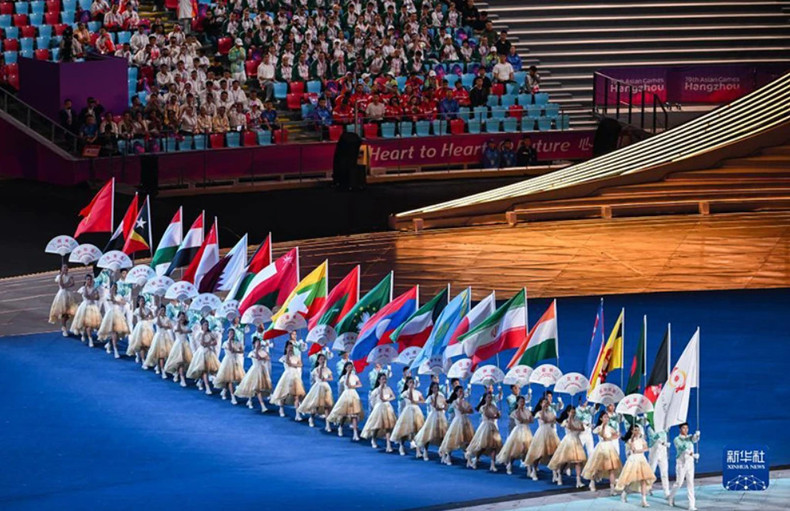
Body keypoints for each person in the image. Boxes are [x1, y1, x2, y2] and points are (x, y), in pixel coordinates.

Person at [616, 425, 656, 507]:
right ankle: (624, 493)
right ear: (632, 431)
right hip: (633, 460)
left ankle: (644, 500)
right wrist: (633, 441)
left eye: (638, 430)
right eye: (635, 430)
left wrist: (640, 450)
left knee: (643, 480)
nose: (637, 431)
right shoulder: (630, 441)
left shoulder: (642, 440)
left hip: (642, 459)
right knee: (630, 480)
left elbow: (646, 448)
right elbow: (633, 450)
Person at [582, 412, 623, 493]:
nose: (606, 419)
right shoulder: (599, 428)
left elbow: (614, 436)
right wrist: (604, 428)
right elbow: (603, 437)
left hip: (610, 448)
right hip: (601, 449)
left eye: (607, 417)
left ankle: (612, 489)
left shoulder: (610, 428)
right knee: (597, 468)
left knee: (611, 469)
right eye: (604, 417)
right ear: (601, 419)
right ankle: (592, 483)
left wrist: (618, 435)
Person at [549, 406, 588, 487]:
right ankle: (559, 476)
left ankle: (578, 481)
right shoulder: (565, 421)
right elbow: (570, 427)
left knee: (578, 461)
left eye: (574, 412)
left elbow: (582, 429)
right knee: (564, 461)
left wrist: (578, 424)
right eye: (571, 412)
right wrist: (570, 419)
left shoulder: (578, 421)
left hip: (576, 441)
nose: (573, 414)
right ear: (568, 413)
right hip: (568, 441)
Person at [525, 397, 562, 480]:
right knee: (538, 454)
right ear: (541, 404)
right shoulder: (539, 413)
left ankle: (554, 474)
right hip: (541, 433)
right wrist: (542, 411)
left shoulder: (551, 413)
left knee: (552, 454)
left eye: (547, 403)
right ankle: (534, 471)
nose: (546, 404)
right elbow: (544, 420)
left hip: (550, 433)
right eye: (544, 403)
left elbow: (554, 420)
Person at [326, 362, 365, 440]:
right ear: (346, 368)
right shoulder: (344, 377)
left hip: (354, 394)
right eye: (348, 367)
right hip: (346, 395)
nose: (350, 369)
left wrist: (355, 386)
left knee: (354, 415)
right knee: (344, 414)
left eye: (351, 367)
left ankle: (355, 433)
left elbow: (360, 384)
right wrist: (348, 375)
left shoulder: (355, 377)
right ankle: (340, 426)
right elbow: (346, 385)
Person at [235, 334, 273, 413]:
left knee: (256, 387)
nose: (258, 344)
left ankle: (250, 400)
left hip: (263, 371)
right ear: (254, 344)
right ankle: (262, 405)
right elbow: (257, 357)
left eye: (259, 343)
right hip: (255, 370)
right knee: (257, 388)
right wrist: (258, 353)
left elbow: (268, 358)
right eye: (257, 343)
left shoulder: (263, 351)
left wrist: (263, 357)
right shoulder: (252, 352)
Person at [496, 395, 533, 474]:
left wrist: (529, 415)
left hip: (527, 431)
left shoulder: (527, 411)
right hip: (519, 431)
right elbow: (521, 420)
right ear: (517, 402)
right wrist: (527, 418)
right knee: (516, 450)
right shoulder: (515, 412)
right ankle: (509, 465)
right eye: (520, 402)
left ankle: (529, 469)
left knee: (527, 450)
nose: (522, 403)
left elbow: (531, 421)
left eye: (523, 402)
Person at [465, 391, 502, 471]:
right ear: (485, 398)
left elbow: (497, 416)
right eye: (488, 397)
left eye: (491, 397)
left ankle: (492, 464)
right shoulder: (483, 407)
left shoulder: (494, 406)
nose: (490, 399)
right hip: (485, 427)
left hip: (492, 427)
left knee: (494, 446)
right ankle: (475, 459)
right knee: (482, 446)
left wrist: (499, 414)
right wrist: (496, 415)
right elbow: (488, 415)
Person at [360, 372, 397, 452]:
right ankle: (373, 438)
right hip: (379, 408)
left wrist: (387, 399)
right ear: (379, 380)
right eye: (383, 379)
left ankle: (388, 445)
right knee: (377, 426)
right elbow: (372, 399)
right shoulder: (376, 390)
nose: (384, 380)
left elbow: (393, 396)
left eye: (385, 379)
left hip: (387, 408)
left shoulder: (388, 388)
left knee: (388, 426)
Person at [439, 385, 475, 465]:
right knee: (452, 439)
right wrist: (466, 409)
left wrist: (467, 409)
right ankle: (448, 456)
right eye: (460, 392)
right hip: (457, 422)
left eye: (462, 391)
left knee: (467, 441)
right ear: (456, 393)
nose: (462, 393)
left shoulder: (465, 402)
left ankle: (468, 459)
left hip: (466, 422)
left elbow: (471, 411)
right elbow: (461, 410)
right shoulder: (455, 402)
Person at [668, 423, 701, 511]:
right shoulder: (677, 439)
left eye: (687, 428)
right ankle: (671, 496)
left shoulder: (689, 438)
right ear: (680, 429)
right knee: (679, 483)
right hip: (681, 464)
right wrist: (694, 455)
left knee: (691, 483)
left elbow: (694, 440)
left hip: (690, 464)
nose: (685, 430)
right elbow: (683, 448)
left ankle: (691, 505)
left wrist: (697, 435)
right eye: (683, 428)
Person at [270, 340, 306, 420]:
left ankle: (297, 414)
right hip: (287, 377)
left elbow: (300, 364)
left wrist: (294, 364)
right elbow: (287, 362)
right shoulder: (284, 357)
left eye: (291, 347)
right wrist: (288, 355)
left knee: (296, 396)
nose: (291, 349)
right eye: (289, 347)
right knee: (284, 394)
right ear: (286, 348)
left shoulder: (296, 357)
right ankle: (281, 409)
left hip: (295, 377)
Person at [390, 377, 426, 457]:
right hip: (408, 411)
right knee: (405, 430)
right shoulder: (405, 392)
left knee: (417, 430)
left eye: (413, 383)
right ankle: (401, 446)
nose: (412, 384)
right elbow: (399, 398)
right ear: (407, 384)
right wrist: (405, 396)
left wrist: (417, 401)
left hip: (416, 411)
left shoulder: (418, 392)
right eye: (410, 383)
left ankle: (418, 451)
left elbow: (423, 401)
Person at [297, 353, 335, 428]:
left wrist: (326, 379)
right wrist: (321, 369)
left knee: (327, 406)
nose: (323, 361)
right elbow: (320, 378)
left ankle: (327, 425)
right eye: (321, 359)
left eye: (324, 359)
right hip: (318, 387)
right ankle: (311, 418)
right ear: (318, 360)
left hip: (326, 387)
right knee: (316, 406)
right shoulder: (316, 369)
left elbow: (331, 378)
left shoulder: (327, 369)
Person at [414, 382, 448, 461]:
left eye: (437, 388)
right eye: (434, 388)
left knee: (442, 435)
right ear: (432, 389)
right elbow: (435, 407)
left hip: (441, 417)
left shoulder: (441, 396)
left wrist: (444, 406)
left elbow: (446, 406)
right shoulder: (430, 397)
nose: (436, 389)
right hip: (433, 417)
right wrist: (436, 399)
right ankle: (425, 451)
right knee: (428, 435)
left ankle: (442, 453)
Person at [186, 319, 221, 394]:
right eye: (205, 325)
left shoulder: (210, 333)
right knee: (204, 370)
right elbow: (202, 343)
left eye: (207, 325)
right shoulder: (200, 334)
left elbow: (215, 342)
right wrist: (205, 336)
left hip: (209, 352)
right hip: (202, 353)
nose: (206, 326)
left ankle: (201, 381)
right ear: (202, 326)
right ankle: (207, 387)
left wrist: (209, 343)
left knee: (211, 370)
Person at [96, 283, 129, 359]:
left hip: (119, 315)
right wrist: (113, 296)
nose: (114, 288)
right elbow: (112, 301)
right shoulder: (107, 295)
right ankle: (115, 350)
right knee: (113, 332)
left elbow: (124, 302)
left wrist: (119, 302)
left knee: (117, 334)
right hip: (111, 315)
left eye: (115, 287)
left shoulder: (119, 295)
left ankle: (109, 344)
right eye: (112, 287)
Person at [214, 328, 246, 404]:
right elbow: (231, 350)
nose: (232, 335)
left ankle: (224, 391)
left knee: (237, 379)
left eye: (233, 333)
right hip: (228, 362)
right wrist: (230, 341)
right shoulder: (225, 343)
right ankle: (232, 396)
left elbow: (241, 350)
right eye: (230, 333)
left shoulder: (237, 342)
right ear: (228, 334)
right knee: (230, 380)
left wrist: (237, 351)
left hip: (235, 361)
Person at [70, 274, 102, 345]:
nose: (89, 281)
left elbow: (97, 298)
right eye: (88, 279)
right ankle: (87, 337)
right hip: (85, 307)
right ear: (85, 280)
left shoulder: (94, 288)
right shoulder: (83, 288)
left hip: (93, 307)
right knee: (85, 324)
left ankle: (92, 337)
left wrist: (94, 296)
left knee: (93, 324)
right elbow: (87, 296)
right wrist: (90, 294)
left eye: (90, 279)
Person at [164, 311, 193, 386]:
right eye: (181, 317)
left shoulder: (186, 325)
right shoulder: (176, 326)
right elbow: (179, 331)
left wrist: (185, 330)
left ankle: (177, 373)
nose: (182, 318)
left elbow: (190, 331)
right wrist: (179, 323)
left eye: (183, 317)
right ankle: (182, 378)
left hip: (185, 345)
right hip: (178, 345)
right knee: (180, 362)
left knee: (184, 362)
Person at [145, 305, 174, 376]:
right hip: (159, 336)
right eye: (161, 310)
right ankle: (162, 370)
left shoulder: (167, 318)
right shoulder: (157, 318)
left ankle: (160, 367)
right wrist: (158, 316)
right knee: (160, 354)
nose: (163, 312)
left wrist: (166, 326)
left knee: (165, 354)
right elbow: (159, 325)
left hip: (166, 337)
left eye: (164, 310)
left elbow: (170, 326)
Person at [49, 264, 77, 336]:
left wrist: (69, 282)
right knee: (64, 313)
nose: (66, 269)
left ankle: (71, 327)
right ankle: (64, 328)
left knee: (71, 312)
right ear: (61, 269)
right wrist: (62, 276)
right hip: (62, 295)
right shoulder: (59, 277)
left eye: (67, 268)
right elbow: (62, 285)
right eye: (64, 268)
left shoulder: (69, 276)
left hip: (69, 294)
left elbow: (72, 284)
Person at [126, 295, 154, 364]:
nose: (143, 302)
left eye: (143, 300)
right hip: (140, 327)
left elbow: (152, 316)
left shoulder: (147, 309)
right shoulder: (137, 310)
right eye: (141, 301)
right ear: (138, 302)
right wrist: (141, 308)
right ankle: (143, 360)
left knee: (147, 344)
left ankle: (143, 357)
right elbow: (141, 316)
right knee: (141, 344)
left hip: (148, 327)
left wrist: (150, 316)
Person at [647, 423, 671, 497]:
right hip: (654, 453)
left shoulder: (664, 428)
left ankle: (666, 492)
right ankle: (648, 488)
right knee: (651, 471)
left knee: (664, 473)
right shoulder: (650, 428)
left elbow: (667, 430)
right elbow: (655, 438)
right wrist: (664, 443)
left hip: (663, 453)